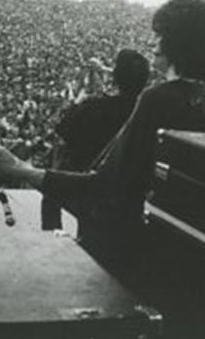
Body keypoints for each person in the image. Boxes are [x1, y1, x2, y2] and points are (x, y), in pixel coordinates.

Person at [0, 0, 205, 266]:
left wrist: (20, 170)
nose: (155, 45)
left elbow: (106, 187)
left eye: (160, 37)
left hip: (123, 250)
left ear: (176, 44)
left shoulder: (158, 99)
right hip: (167, 254)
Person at [41, 49, 151, 231]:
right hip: (129, 194)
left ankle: (52, 233)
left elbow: (63, 131)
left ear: (116, 77)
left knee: (54, 175)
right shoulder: (146, 113)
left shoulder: (95, 107)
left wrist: (80, 101)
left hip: (88, 187)